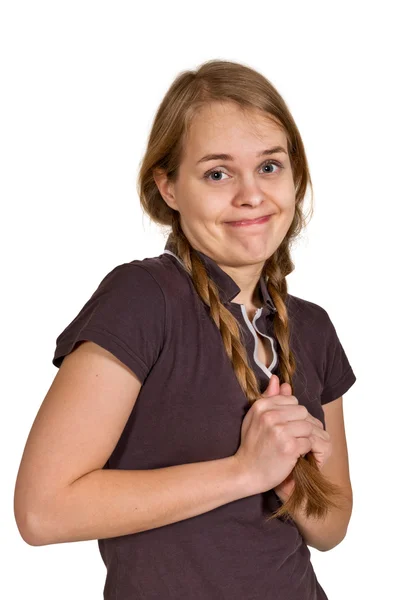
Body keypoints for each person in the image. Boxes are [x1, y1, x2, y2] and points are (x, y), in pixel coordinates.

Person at [14, 59, 357, 599]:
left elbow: (332, 527)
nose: (251, 194)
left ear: (295, 176)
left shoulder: (312, 327)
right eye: (217, 173)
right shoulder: (142, 299)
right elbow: (43, 510)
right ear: (169, 187)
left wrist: (292, 478)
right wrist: (245, 472)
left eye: (270, 166)